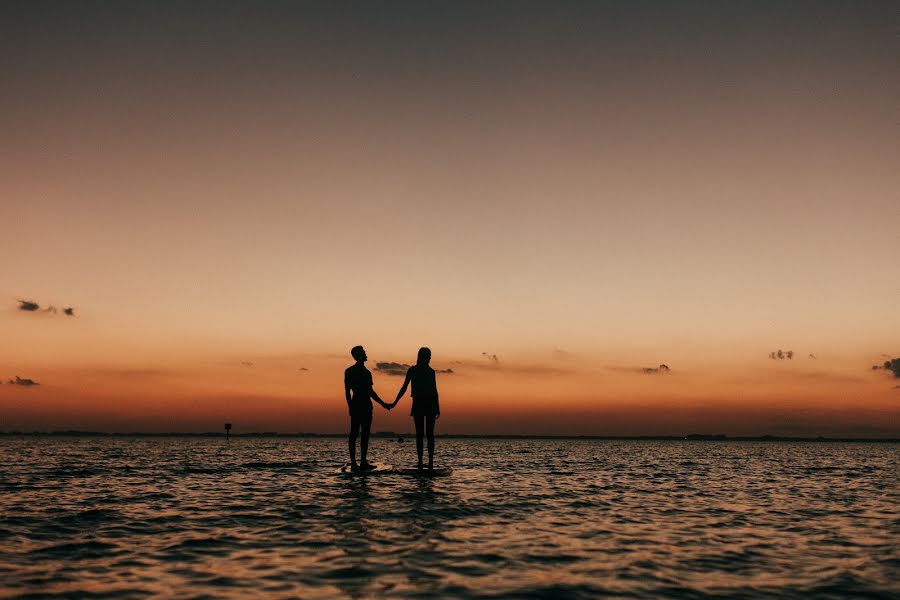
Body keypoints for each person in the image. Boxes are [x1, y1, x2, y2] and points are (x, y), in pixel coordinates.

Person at [392, 347, 440, 470]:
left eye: (430, 356)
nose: (429, 359)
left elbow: (434, 390)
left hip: (430, 404)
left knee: (430, 434)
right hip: (418, 403)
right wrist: (395, 402)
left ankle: (430, 462)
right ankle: (420, 461)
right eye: (428, 356)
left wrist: (437, 407)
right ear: (422, 357)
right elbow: (404, 387)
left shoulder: (431, 372)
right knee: (420, 434)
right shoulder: (412, 370)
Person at [344, 345, 391, 470]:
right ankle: (354, 463)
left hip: (367, 405)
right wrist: (350, 407)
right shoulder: (349, 371)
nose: (365, 354)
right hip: (357, 405)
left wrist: (383, 404)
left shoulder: (367, 373)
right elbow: (347, 391)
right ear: (357, 355)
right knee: (354, 433)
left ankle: (363, 461)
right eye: (363, 352)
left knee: (365, 434)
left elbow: (371, 392)